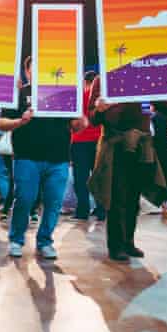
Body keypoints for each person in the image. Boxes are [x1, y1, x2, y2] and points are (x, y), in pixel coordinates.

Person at [0, 57, 71, 260]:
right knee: (24, 199)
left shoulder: (63, 93)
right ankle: (16, 239)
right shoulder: (19, 94)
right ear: (27, 72)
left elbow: (77, 124)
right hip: (27, 157)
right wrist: (20, 121)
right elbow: (0, 123)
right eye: (34, 68)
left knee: (54, 202)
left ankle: (45, 241)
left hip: (59, 158)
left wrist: (83, 120)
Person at [88, 76, 167, 262]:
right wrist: (101, 109)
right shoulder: (104, 79)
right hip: (116, 145)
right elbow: (93, 117)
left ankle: (128, 241)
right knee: (117, 196)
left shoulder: (144, 76)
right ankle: (116, 245)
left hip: (142, 145)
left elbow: (164, 105)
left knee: (134, 196)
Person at [70, 71, 105, 221]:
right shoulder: (101, 99)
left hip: (79, 142)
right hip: (98, 141)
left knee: (81, 178)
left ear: (85, 82)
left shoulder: (78, 97)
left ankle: (82, 211)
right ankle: (101, 209)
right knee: (98, 176)